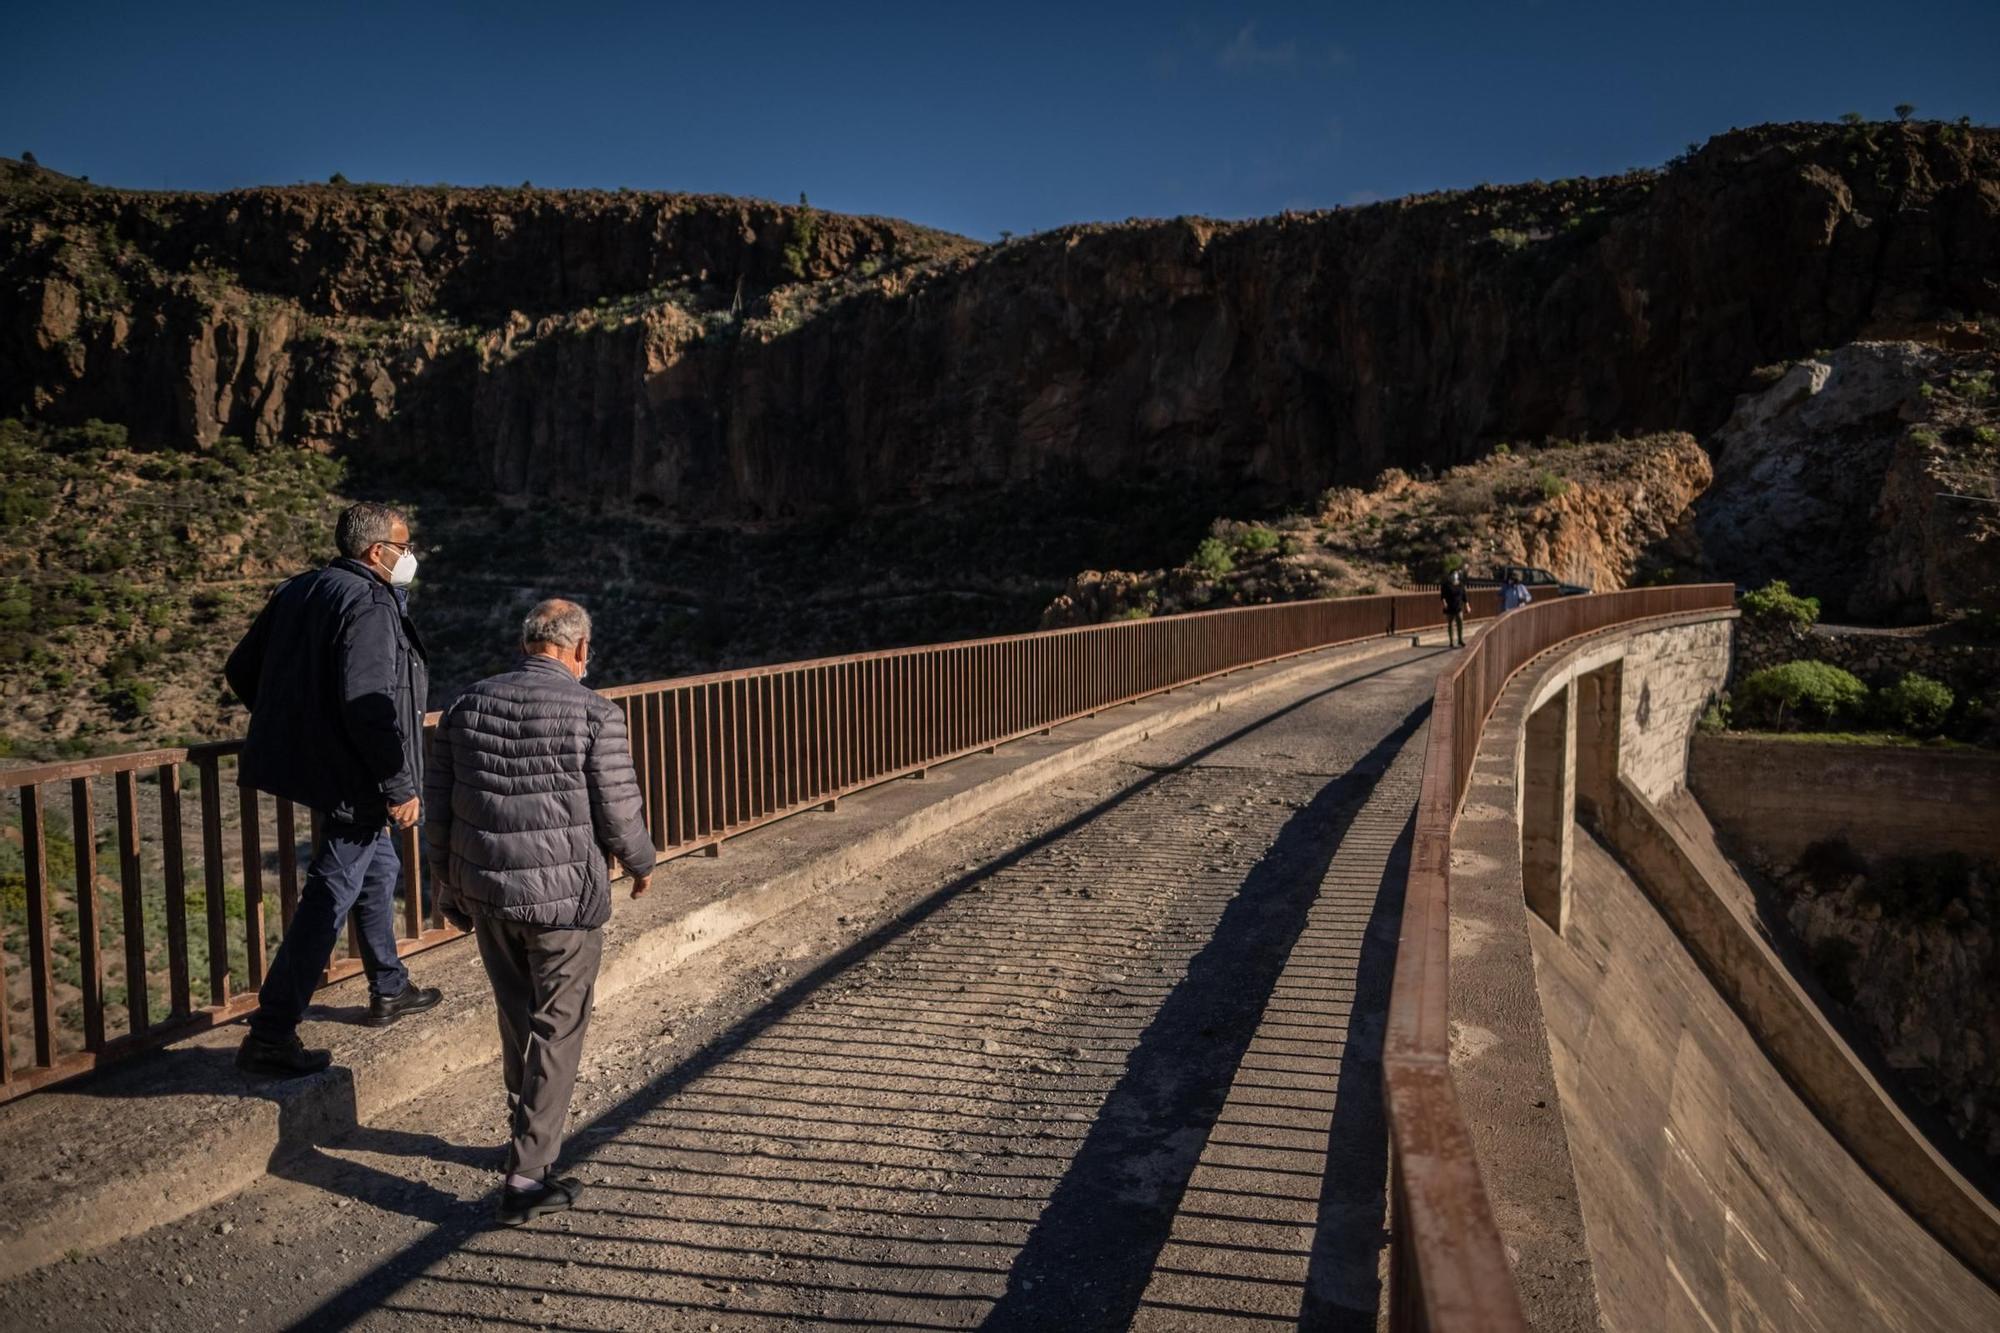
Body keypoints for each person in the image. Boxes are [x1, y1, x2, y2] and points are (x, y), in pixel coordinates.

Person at [426, 598, 657, 1226]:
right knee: (558, 1028)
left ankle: (521, 1139)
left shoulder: (467, 704)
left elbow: (440, 807)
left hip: (488, 893)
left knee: (517, 1019)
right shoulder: (595, 712)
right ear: (579, 649)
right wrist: (641, 863)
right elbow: (619, 812)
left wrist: (449, 883)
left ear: (527, 642)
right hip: (563, 902)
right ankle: (527, 1178)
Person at [227, 502, 443, 1078]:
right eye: (404, 546)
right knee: (330, 892)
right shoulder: (370, 602)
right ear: (377, 551)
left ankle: (389, 987)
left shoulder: (301, 589)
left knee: (378, 869)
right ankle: (272, 1032)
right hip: (357, 774)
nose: (410, 555)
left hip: (325, 767)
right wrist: (399, 783)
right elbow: (370, 704)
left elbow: (241, 669)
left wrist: (300, 726)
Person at [1440, 567, 1469, 647]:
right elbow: (1442, 596)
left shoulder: (1461, 584)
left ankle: (1460, 639)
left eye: (1456, 574)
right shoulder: (1446, 585)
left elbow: (1464, 596)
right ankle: (1451, 641)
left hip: (1458, 606)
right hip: (1449, 607)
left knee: (1460, 623)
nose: (1455, 575)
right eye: (1453, 574)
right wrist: (1444, 603)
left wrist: (1467, 605)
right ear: (1450, 575)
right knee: (1450, 624)